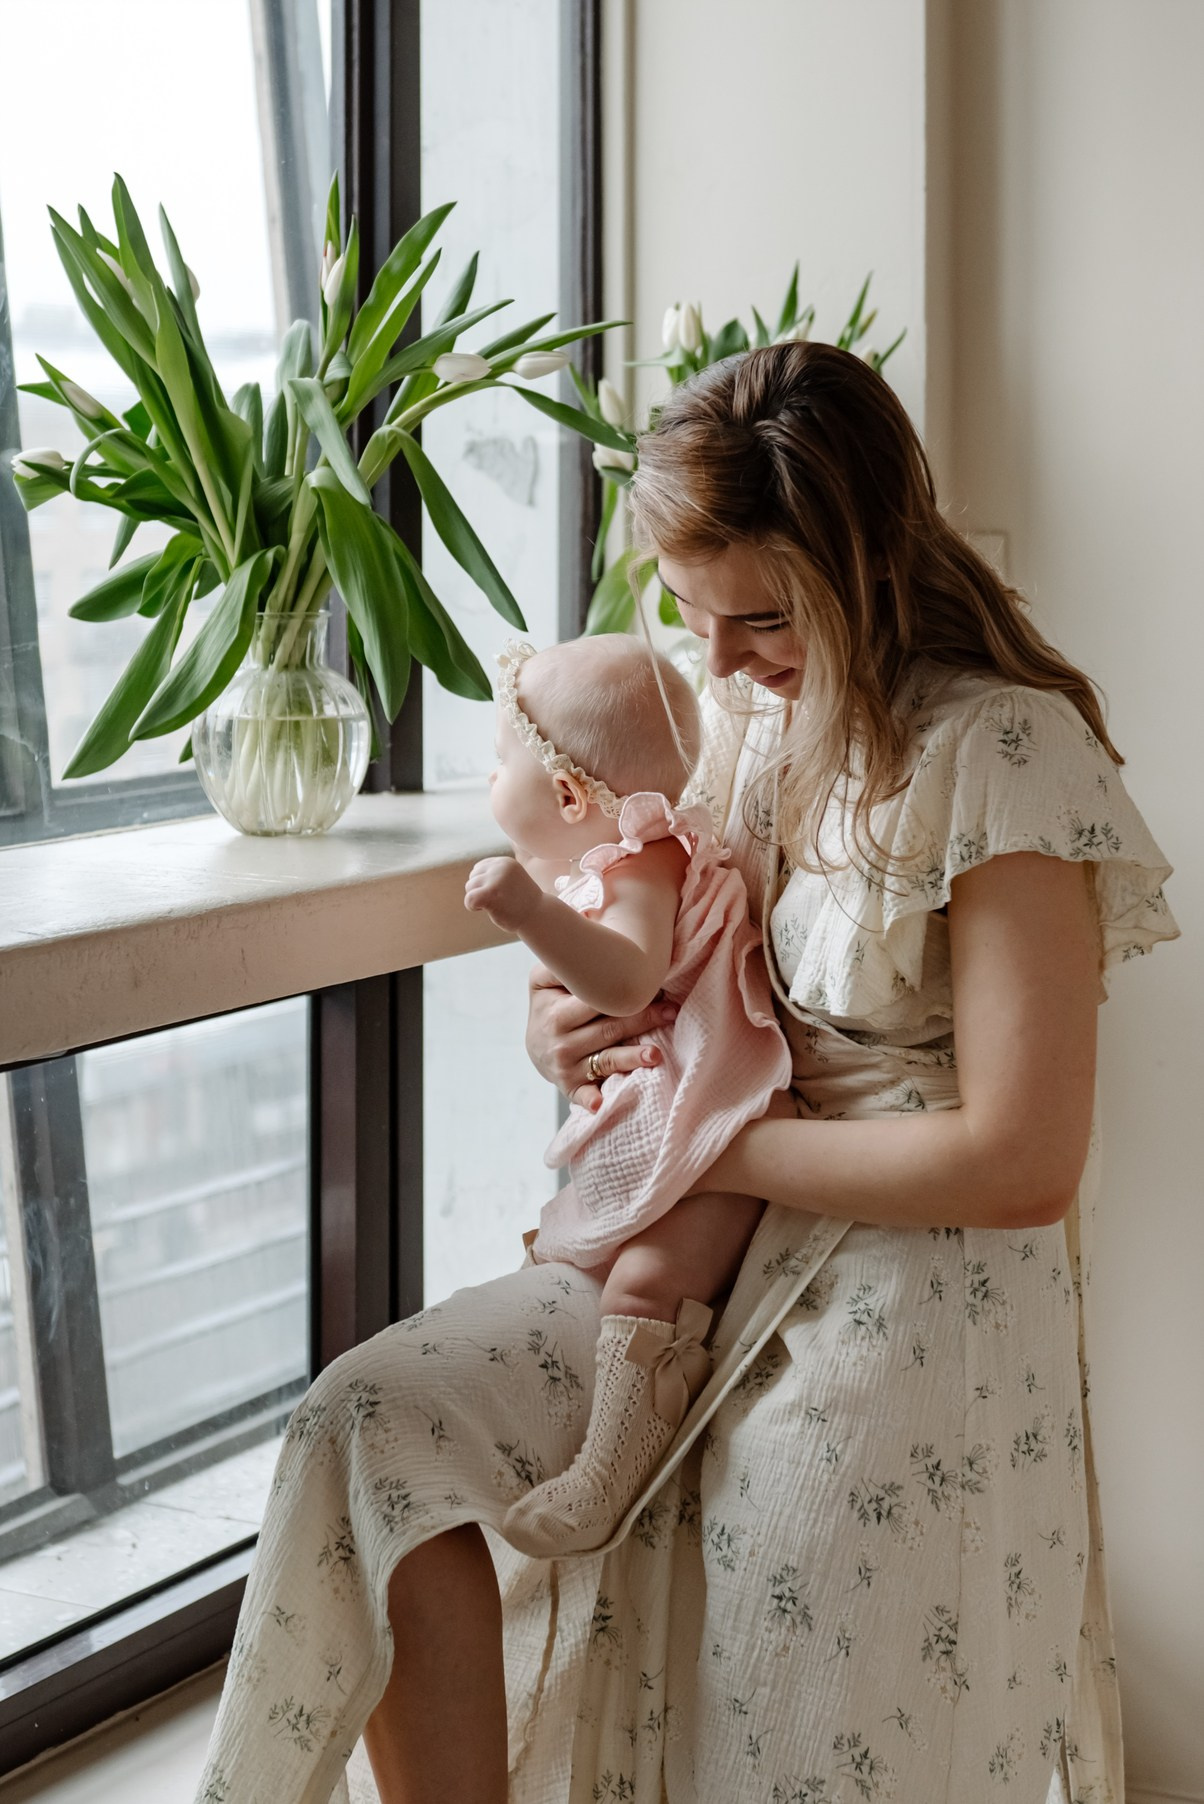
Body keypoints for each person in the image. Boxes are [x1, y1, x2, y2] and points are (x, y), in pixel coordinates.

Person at [194, 341, 1178, 1804]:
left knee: (778, 1684)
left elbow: (1023, 1162)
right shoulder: (757, 720)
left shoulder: (1005, 751)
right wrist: (569, 1030)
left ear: (866, 569)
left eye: (763, 619)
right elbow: (657, 947)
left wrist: (709, 1147)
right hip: (692, 1229)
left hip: (906, 1285)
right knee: (369, 1423)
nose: (716, 666)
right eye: (691, 616)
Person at [462, 633, 791, 1558]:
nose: (491, 783)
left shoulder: (641, 861)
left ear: (567, 795)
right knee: (600, 1264)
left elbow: (628, 982)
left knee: (647, 1282)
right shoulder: (618, 864)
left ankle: (610, 1474)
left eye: (499, 764)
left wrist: (531, 913)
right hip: (680, 1111)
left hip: (723, 1118)